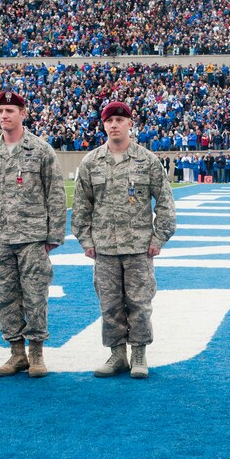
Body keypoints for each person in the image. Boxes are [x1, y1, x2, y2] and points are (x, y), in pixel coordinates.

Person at [71, 102, 176, 379]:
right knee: (109, 304)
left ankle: (139, 353)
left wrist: (159, 237)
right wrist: (85, 239)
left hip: (139, 246)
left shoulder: (148, 161)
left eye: (119, 119)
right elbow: (81, 206)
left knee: (139, 302)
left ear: (131, 123)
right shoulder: (91, 162)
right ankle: (117, 354)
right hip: (104, 247)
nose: (114, 124)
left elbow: (165, 202)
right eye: (109, 120)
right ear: (103, 125)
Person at [0, 91, 67, 377]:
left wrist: (53, 235)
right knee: (4, 296)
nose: (4, 115)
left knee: (35, 295)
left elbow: (55, 194)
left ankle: (36, 353)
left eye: (10, 110)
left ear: (22, 114)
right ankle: (16, 352)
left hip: (32, 237)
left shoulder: (41, 150)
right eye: (1, 111)